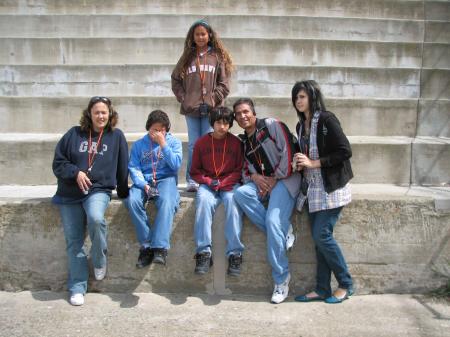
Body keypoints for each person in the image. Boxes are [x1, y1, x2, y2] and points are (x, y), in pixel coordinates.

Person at [52, 96, 129, 306]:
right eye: (97, 112)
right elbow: (58, 163)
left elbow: (123, 168)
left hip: (98, 190)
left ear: (110, 114)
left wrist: (124, 193)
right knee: (74, 241)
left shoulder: (116, 136)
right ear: (89, 114)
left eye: (104, 112)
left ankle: (99, 258)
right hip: (69, 193)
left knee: (96, 218)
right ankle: (77, 287)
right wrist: (75, 172)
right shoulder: (73, 134)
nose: (101, 116)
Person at [291, 80, 354, 304]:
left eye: (302, 97)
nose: (298, 101)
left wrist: (315, 163)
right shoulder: (300, 126)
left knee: (322, 235)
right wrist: (300, 162)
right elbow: (306, 157)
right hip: (313, 190)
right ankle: (322, 288)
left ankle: (346, 284)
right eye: (296, 97)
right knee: (319, 240)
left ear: (312, 97)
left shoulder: (327, 119)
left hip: (332, 188)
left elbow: (345, 151)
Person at [232, 98, 299, 304]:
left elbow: (289, 153)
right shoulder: (243, 142)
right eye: (238, 114)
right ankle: (285, 228)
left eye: (246, 111)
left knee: (272, 221)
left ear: (253, 112)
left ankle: (281, 278)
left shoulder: (271, 126)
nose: (243, 116)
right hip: (264, 184)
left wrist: (275, 177)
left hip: (286, 179)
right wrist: (254, 177)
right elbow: (243, 170)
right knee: (241, 193)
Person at [171, 19, 233, 192]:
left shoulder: (217, 57)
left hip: (210, 111)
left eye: (203, 34)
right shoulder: (187, 56)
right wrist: (184, 98)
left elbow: (224, 84)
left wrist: (213, 99)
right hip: (191, 109)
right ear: (193, 36)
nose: (200, 37)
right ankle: (191, 178)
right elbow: (175, 79)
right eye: (197, 34)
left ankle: (206, 178)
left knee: (207, 143)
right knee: (193, 144)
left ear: (209, 35)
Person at [123, 110, 182, 268]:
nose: (159, 132)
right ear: (148, 128)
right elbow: (134, 167)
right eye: (155, 129)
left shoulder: (174, 143)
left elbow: (176, 165)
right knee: (132, 200)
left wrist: (164, 144)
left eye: (162, 129)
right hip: (144, 180)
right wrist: (143, 185)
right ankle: (147, 244)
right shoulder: (139, 145)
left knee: (168, 202)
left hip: (166, 178)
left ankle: (160, 248)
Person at [190, 107, 244, 276]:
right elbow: (195, 171)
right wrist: (208, 181)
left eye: (226, 123)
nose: (222, 126)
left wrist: (225, 182)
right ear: (212, 123)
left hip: (229, 184)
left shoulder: (236, 143)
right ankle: (204, 252)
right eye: (219, 122)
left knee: (233, 203)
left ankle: (235, 253)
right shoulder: (201, 143)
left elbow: (239, 169)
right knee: (203, 202)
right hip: (208, 184)